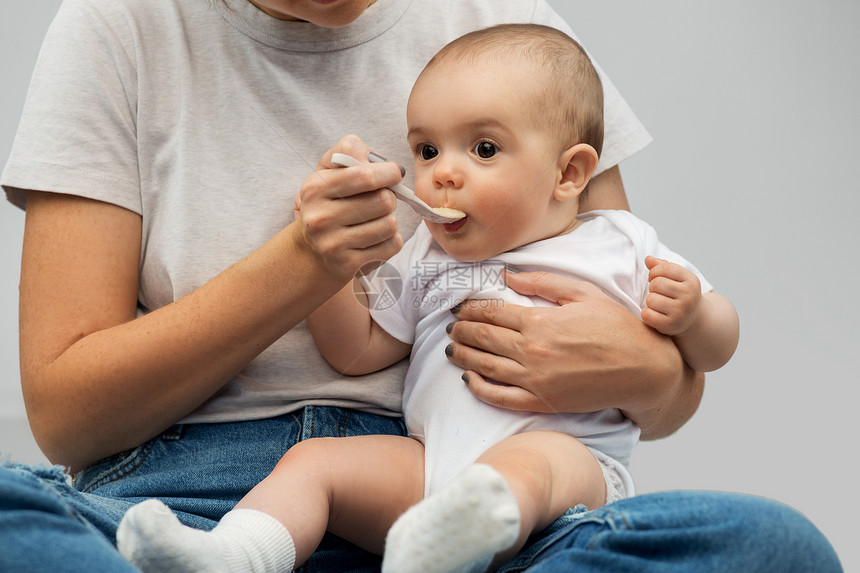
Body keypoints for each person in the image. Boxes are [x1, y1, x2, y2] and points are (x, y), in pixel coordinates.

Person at [0, 0, 841, 572]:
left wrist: (648, 363)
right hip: (220, 487)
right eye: (426, 151)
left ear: (568, 169)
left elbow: (673, 382)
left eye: (478, 151)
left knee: (774, 546)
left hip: (494, 510)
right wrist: (308, 265)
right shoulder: (118, 25)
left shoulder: (514, 35)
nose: (440, 176)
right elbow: (68, 415)